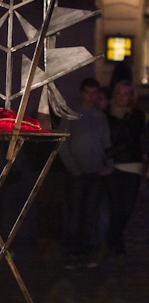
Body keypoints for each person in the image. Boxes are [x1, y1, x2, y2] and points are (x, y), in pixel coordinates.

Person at [60, 77, 112, 268]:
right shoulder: (72, 115)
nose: (91, 97)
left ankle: (86, 252)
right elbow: (63, 143)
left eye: (94, 93)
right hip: (77, 173)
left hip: (95, 172)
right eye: (88, 93)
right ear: (82, 93)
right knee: (75, 214)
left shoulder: (99, 116)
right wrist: (73, 167)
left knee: (91, 214)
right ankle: (72, 253)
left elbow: (106, 143)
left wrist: (108, 165)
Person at [104, 80, 145, 257]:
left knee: (127, 207)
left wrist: (108, 154)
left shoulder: (137, 115)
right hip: (112, 165)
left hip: (131, 164)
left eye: (127, 94)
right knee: (114, 206)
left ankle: (115, 237)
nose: (123, 97)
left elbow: (130, 139)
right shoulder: (106, 114)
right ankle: (115, 241)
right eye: (120, 93)